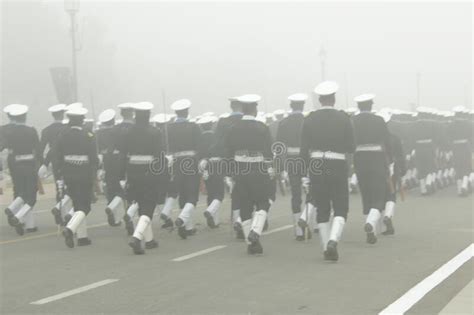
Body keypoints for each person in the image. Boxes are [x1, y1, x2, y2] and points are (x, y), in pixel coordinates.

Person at [300, 81, 355, 261]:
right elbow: (351, 147)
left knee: (322, 207)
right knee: (340, 207)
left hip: (316, 165)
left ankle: (326, 248)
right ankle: (333, 240)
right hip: (337, 165)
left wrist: (304, 175)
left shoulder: (309, 119)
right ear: (334, 99)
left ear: (320, 100)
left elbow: (303, 150)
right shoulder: (344, 118)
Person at [224, 94, 274, 255]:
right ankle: (256, 232)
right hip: (258, 168)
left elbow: (228, 153)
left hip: (239, 169)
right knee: (263, 202)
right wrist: (270, 167)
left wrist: (230, 174)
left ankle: (251, 244)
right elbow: (269, 153)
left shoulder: (232, 128)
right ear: (253, 109)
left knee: (245, 206)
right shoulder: (262, 128)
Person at [120, 102, 168, 255]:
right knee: (148, 207)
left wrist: (123, 175)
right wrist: (164, 171)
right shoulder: (155, 132)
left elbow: (123, 155)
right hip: (149, 171)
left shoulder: (127, 133)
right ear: (148, 115)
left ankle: (149, 241)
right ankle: (137, 237)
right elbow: (160, 155)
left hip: (133, 171)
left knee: (141, 205)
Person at [55, 106, 99, 248]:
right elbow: (93, 157)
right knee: (85, 206)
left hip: (68, 172)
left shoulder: (62, 134)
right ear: (82, 120)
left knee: (77, 203)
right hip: (84, 172)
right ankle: (70, 229)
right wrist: (95, 171)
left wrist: (60, 172)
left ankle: (82, 237)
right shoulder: (88, 134)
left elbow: (58, 155)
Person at [352, 94, 392, 245]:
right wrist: (390, 161)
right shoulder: (379, 120)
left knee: (366, 194)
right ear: (371, 105)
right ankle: (370, 223)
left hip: (360, 161)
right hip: (377, 161)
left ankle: (372, 231)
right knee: (379, 195)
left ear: (359, 106)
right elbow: (387, 142)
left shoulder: (352, 121)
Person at [2, 104, 42, 235]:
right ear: (25, 117)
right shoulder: (31, 130)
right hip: (29, 163)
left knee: (20, 190)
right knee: (31, 195)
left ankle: (13, 208)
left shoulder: (7, 131)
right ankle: (17, 215)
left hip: (14, 162)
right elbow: (38, 148)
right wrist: (41, 164)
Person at [167, 99, 202, 239]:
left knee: (182, 193)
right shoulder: (193, 127)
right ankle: (182, 219)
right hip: (191, 161)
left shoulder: (168, 128)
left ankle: (188, 227)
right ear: (187, 112)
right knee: (192, 194)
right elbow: (200, 145)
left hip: (176, 162)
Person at [275, 93, 307, 240]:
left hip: (291, 160)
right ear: (303, 105)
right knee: (312, 192)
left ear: (291, 106)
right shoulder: (308, 121)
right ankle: (312, 222)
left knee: (295, 194)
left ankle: (299, 231)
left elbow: (279, 148)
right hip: (308, 160)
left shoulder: (284, 123)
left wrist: (281, 166)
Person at [212, 97, 244, 239]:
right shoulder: (247, 121)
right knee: (249, 194)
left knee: (235, 194)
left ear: (231, 107)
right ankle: (242, 222)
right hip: (247, 162)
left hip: (229, 162)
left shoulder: (223, 123)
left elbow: (218, 144)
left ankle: (238, 223)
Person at [38, 104, 67, 224]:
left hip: (55, 161)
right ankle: (66, 213)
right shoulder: (67, 128)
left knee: (59, 187)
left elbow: (40, 149)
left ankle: (59, 211)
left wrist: (44, 164)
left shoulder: (46, 130)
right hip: (68, 160)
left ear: (52, 115)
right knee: (70, 188)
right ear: (63, 114)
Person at [96, 109, 124, 227]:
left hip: (105, 161)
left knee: (110, 189)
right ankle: (112, 208)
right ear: (113, 120)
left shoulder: (97, 133)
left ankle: (115, 217)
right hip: (118, 160)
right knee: (121, 190)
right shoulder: (118, 131)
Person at [197, 115, 223, 228]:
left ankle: (214, 220)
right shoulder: (217, 137)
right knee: (219, 194)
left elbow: (199, 155)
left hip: (205, 167)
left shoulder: (199, 139)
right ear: (211, 125)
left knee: (211, 194)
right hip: (217, 165)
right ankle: (211, 212)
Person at [448, 106, 473, 196]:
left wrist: (449, 149)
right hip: (466, 147)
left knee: (458, 167)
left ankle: (459, 189)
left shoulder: (451, 124)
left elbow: (449, 138)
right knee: (466, 167)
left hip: (455, 148)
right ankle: (464, 186)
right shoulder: (469, 124)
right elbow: (471, 138)